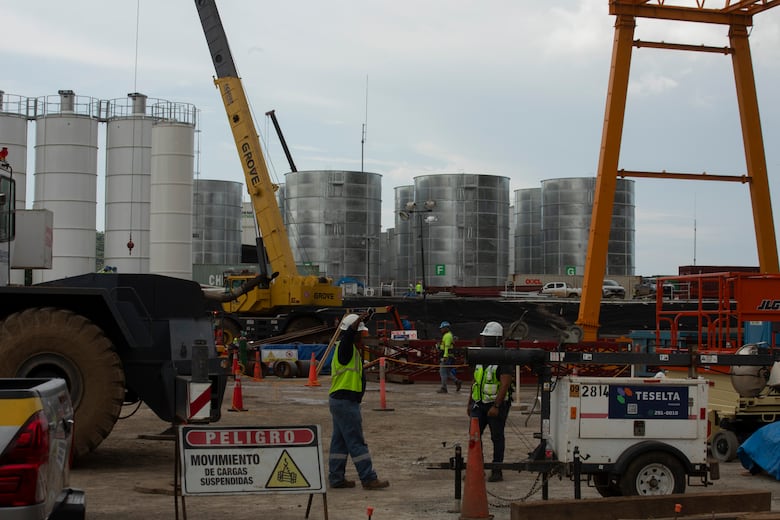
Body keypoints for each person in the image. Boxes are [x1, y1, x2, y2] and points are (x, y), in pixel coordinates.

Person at [328, 312, 390, 490]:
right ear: (352, 333)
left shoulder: (348, 350)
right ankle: (368, 478)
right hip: (345, 402)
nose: (362, 338)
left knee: (339, 442)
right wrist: (358, 322)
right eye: (359, 334)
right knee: (356, 441)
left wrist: (363, 321)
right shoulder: (345, 349)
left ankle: (336, 478)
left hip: (340, 401)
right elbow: (348, 335)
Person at [467, 321, 514, 482]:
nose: (484, 340)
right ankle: (475, 468)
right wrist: (470, 401)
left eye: (487, 338)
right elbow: (476, 381)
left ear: (496, 339)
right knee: (474, 436)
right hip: (479, 404)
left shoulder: (503, 358)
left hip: (495, 406)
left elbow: (505, 383)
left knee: (497, 437)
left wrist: (496, 406)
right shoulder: (481, 356)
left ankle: (496, 469)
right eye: (484, 337)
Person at [436, 321, 462, 393]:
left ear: (446, 328)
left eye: (442, 328)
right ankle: (457, 381)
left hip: (447, 357)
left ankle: (444, 388)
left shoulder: (447, 336)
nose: (441, 330)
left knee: (442, 372)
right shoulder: (448, 335)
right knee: (447, 372)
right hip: (449, 356)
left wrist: (445, 356)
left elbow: (447, 347)